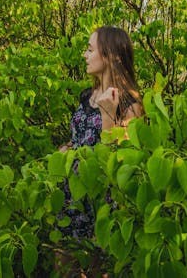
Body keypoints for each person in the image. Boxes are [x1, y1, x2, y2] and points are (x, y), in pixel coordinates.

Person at [55, 26, 144, 277]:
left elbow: (118, 161)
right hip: (72, 196)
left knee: (97, 270)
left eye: (90, 49)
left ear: (111, 56)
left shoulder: (130, 103)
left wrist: (108, 114)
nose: (85, 54)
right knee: (63, 267)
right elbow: (82, 138)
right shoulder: (87, 96)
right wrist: (68, 148)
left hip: (101, 204)